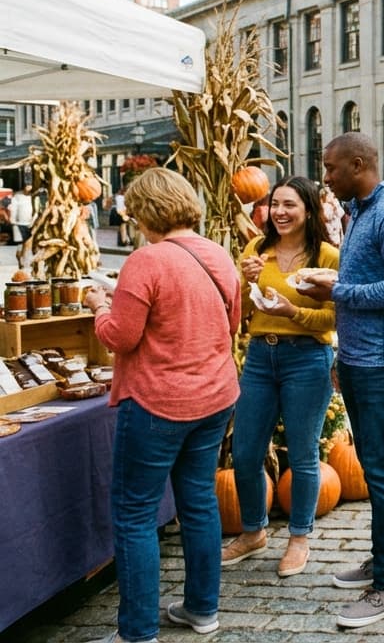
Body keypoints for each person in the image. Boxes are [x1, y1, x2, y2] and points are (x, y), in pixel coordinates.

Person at [83, 169, 241, 643]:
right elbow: (228, 322)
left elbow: (121, 336)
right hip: (214, 398)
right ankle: (202, 610)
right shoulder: (219, 254)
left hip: (159, 402)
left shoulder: (146, 261)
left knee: (134, 514)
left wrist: (98, 306)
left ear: (145, 212)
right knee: (198, 503)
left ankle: (137, 633)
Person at [298, 132, 384, 629]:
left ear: (357, 164)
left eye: (330, 168)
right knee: (375, 470)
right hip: (362, 359)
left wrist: (338, 288)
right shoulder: (363, 211)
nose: (325, 178)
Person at [222, 176, 338, 578]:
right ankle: (253, 531)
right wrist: (245, 278)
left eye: (289, 205)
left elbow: (336, 317)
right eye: (275, 205)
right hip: (259, 356)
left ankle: (299, 538)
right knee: (247, 451)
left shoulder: (326, 256)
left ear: (308, 209)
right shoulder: (257, 249)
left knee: (304, 453)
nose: (280, 212)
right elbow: (239, 313)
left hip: (307, 357)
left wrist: (295, 314)